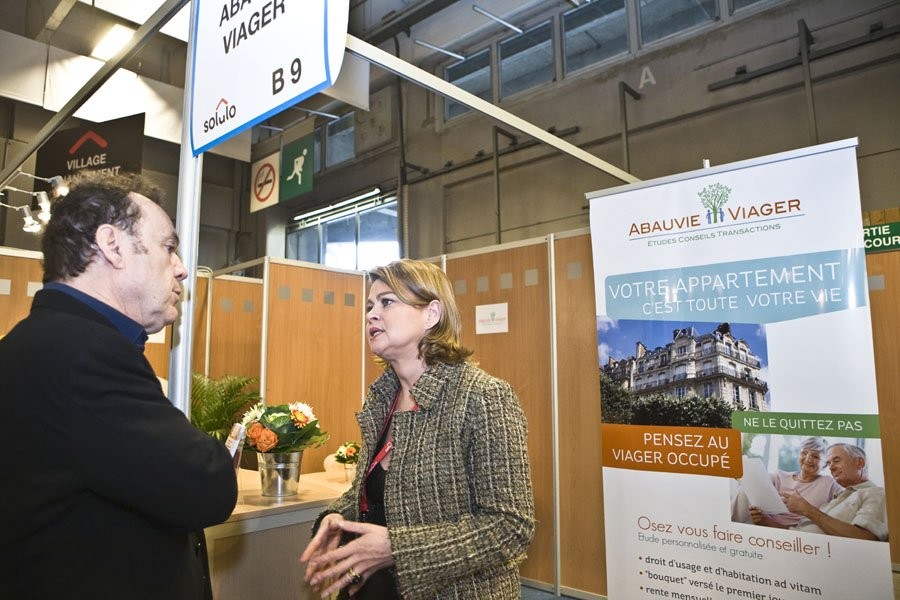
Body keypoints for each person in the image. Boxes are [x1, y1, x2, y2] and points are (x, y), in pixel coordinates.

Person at [0, 171, 238, 599]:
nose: (182, 270)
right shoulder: (86, 355)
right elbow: (206, 488)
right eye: (169, 248)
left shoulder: (32, 343)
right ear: (112, 246)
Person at [300, 259, 535, 599]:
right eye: (369, 306)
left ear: (432, 314)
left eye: (387, 302)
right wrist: (337, 517)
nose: (371, 314)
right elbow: (370, 492)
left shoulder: (482, 397)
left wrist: (398, 548)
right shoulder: (382, 398)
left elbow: (510, 527)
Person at [750, 443, 887, 541]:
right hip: (791, 543)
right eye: (829, 463)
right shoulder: (841, 496)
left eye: (836, 460)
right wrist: (765, 521)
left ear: (859, 463)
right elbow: (799, 531)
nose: (831, 467)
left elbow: (867, 539)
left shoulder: (875, 493)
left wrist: (807, 510)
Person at [734, 437, 842, 527]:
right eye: (804, 453)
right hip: (761, 523)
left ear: (825, 464)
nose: (808, 459)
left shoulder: (829, 484)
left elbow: (848, 496)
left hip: (794, 534)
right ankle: (727, 526)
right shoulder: (779, 476)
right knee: (744, 490)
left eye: (815, 456)